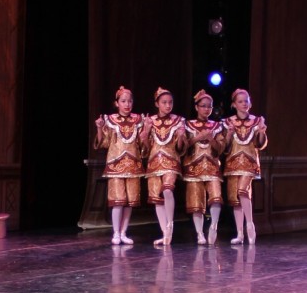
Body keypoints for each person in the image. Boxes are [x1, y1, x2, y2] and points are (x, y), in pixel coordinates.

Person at [94, 86, 145, 245]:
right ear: (117, 103)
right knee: (118, 201)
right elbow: (103, 143)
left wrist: (147, 129)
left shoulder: (138, 120)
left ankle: (123, 232)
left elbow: (143, 145)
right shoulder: (109, 120)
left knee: (129, 202)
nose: (127, 104)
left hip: (133, 165)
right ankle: (115, 232)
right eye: (123, 101)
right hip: (115, 165)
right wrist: (99, 128)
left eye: (130, 101)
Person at [221, 88, 268, 245]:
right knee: (236, 200)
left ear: (250, 102)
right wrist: (228, 134)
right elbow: (224, 147)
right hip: (233, 164)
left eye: (246, 101)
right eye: (240, 101)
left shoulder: (256, 121)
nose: (244, 104)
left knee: (242, 191)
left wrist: (261, 132)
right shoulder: (228, 122)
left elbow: (259, 144)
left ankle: (250, 225)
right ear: (234, 104)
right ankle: (240, 233)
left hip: (249, 162)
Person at [139, 87, 184, 247]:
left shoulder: (178, 121)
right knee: (157, 199)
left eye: (170, 102)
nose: (168, 105)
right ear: (157, 104)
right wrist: (145, 133)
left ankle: (170, 224)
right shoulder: (149, 121)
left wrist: (180, 137)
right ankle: (165, 233)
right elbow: (145, 148)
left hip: (171, 161)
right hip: (153, 163)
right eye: (164, 102)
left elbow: (181, 147)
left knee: (167, 190)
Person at [183, 90, 225, 245]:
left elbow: (221, 148)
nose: (206, 109)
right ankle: (199, 233)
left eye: (209, 107)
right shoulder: (187, 125)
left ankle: (213, 225)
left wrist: (211, 139)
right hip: (193, 167)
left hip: (212, 166)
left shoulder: (217, 126)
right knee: (196, 202)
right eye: (203, 106)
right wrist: (197, 138)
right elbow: (181, 148)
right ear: (196, 107)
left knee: (215, 197)